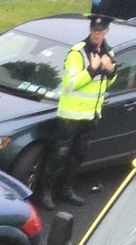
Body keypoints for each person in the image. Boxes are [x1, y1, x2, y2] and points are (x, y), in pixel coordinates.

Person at [40, 15, 116, 210]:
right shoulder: (78, 53)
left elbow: (108, 83)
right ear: (90, 29)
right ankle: (44, 193)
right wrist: (92, 70)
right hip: (70, 116)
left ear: (106, 31)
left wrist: (110, 71)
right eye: (94, 30)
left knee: (78, 156)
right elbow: (70, 83)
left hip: (90, 115)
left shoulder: (109, 52)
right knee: (59, 156)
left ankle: (65, 189)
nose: (96, 34)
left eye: (100, 31)